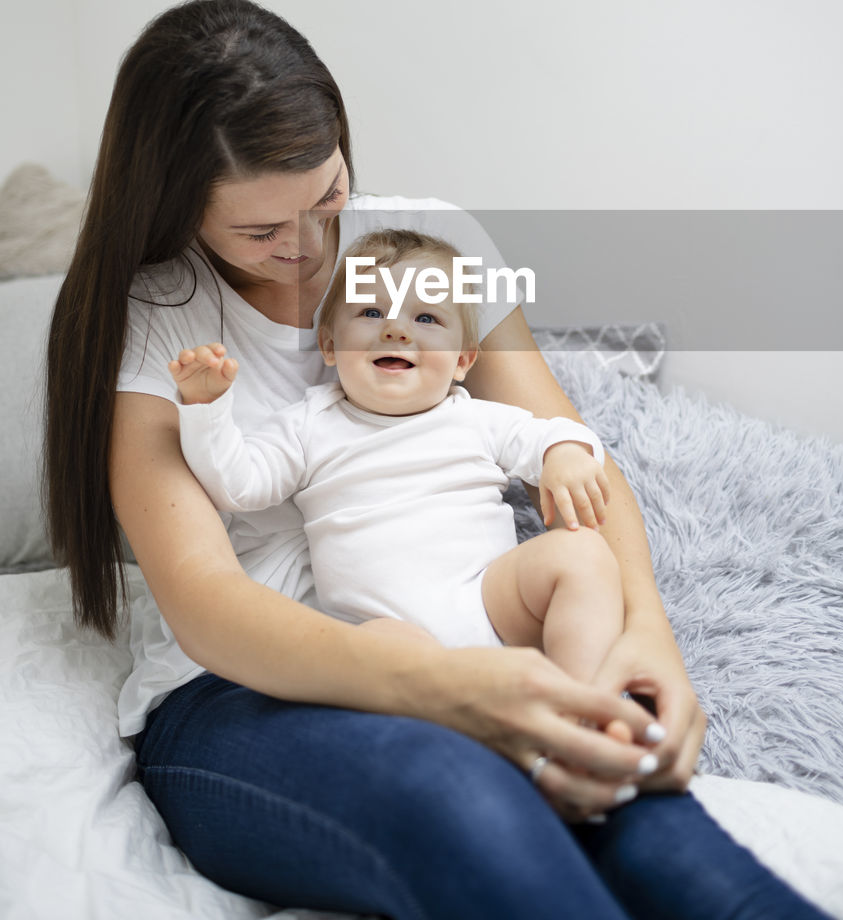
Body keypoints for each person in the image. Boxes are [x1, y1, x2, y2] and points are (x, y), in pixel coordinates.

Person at [44, 0, 830, 919]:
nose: (304, 252)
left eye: (326, 197)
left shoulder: (431, 240)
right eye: (258, 233)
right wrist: (443, 688)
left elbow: (565, 450)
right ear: (173, 208)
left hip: (469, 633)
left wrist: (646, 638)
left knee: (648, 821)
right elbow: (206, 602)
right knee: (461, 800)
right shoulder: (155, 312)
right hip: (240, 690)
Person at [168, 228, 626, 692]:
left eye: (426, 317)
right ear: (329, 346)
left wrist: (564, 454)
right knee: (382, 647)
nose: (396, 329)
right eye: (370, 312)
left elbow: (550, 432)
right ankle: (497, 722)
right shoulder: (309, 425)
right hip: (385, 629)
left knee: (583, 552)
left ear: (463, 359)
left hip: (491, 601)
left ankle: (583, 703)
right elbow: (239, 486)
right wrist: (206, 409)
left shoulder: (477, 419)